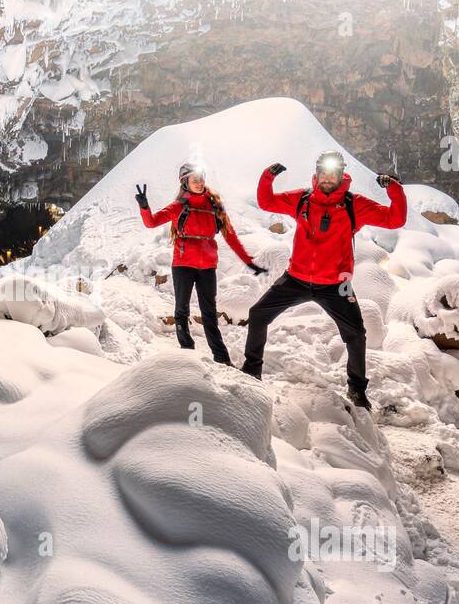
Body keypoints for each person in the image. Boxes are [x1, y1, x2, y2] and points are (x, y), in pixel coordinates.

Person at [241, 149, 406, 409]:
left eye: (333, 173)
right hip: (295, 278)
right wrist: (267, 177)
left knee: (356, 335)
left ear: (341, 176)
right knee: (258, 314)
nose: (328, 178)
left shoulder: (354, 204)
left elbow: (395, 219)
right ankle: (251, 371)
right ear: (317, 175)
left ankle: (357, 390)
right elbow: (267, 202)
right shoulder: (302, 200)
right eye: (323, 173)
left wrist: (394, 190)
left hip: (335, 286)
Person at [136, 162, 263, 364]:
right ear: (185, 182)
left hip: (207, 267)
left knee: (209, 313)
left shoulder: (214, 206)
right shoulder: (179, 206)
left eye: (201, 179)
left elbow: (231, 237)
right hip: (183, 265)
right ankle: (188, 354)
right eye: (194, 180)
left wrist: (249, 262)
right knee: (181, 310)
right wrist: (144, 206)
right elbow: (151, 222)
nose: (199, 183)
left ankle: (222, 359)